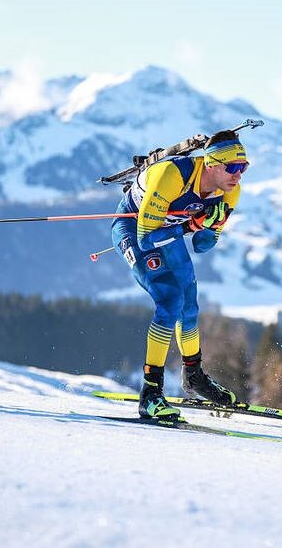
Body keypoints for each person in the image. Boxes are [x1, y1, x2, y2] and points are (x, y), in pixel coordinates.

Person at [111, 129, 249, 420]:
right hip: (135, 230)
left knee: (189, 304)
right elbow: (146, 239)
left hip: (168, 233)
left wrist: (214, 223)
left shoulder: (229, 191)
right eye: (233, 167)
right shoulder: (172, 175)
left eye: (244, 168)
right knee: (169, 299)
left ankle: (194, 376)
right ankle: (150, 393)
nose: (238, 175)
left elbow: (202, 246)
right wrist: (191, 226)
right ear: (211, 164)